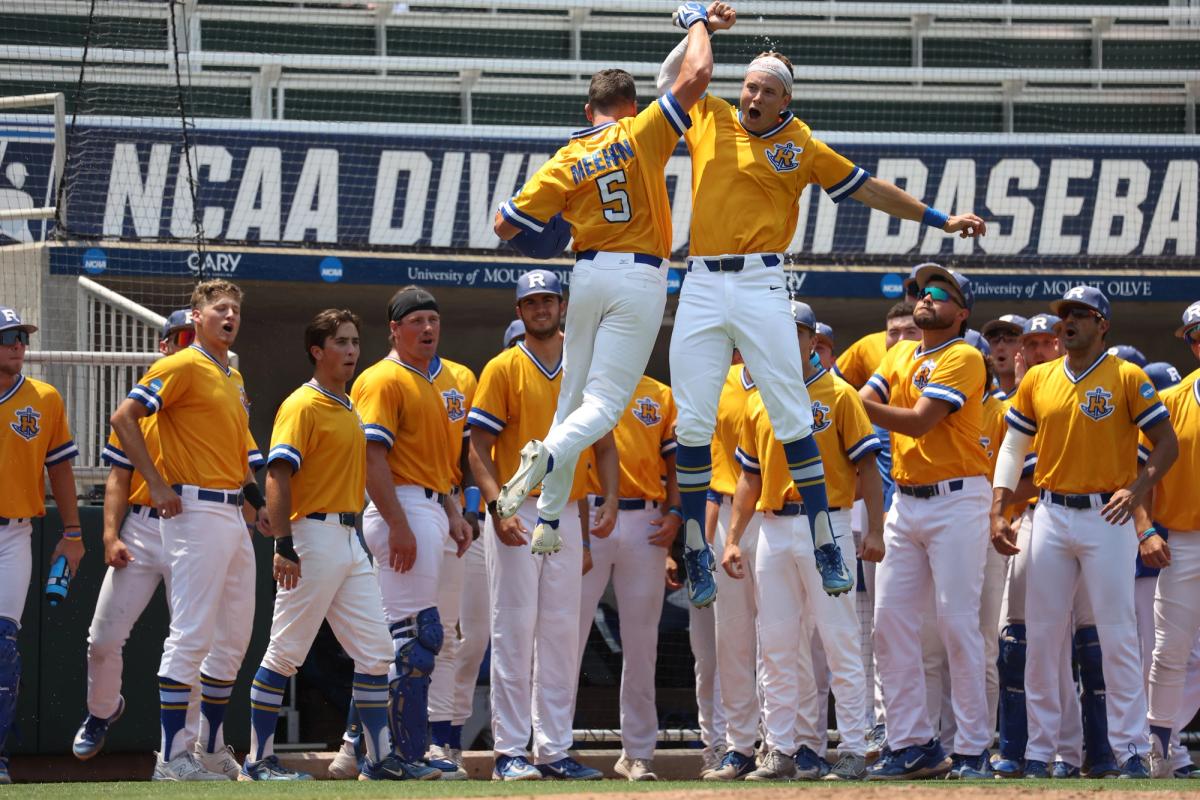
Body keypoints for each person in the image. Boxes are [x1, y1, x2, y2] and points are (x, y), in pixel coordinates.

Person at [658, 18, 990, 607]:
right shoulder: (709, 115)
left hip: (763, 280)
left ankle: (825, 539)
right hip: (702, 280)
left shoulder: (803, 144)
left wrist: (941, 220)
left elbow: (869, 190)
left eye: (767, 90)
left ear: (787, 98)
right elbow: (678, 77)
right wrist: (696, 23)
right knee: (691, 423)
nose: (754, 96)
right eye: (750, 87)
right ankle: (694, 549)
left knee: (791, 409)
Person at [491, 2, 725, 559]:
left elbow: (504, 224)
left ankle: (548, 516)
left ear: (586, 107)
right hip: (638, 277)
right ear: (633, 106)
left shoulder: (567, 156)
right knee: (605, 404)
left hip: (587, 272)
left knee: (570, 396)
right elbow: (695, 76)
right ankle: (545, 455)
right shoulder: (643, 132)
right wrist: (697, 22)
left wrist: (545, 232)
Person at [992, 286, 1177, 779]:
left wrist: (1138, 490)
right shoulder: (1039, 378)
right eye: (1063, 315)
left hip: (1106, 516)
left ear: (1102, 324)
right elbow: (1013, 446)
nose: (1067, 321)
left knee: (1117, 637)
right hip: (1050, 512)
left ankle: (1132, 749)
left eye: (1079, 314)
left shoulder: (1127, 376)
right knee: (1042, 638)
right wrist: (999, 508)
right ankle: (1041, 750)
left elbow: (1166, 444)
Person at [74, 310, 264, 775]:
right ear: (164, 345)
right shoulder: (157, 392)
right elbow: (119, 476)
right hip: (142, 526)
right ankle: (101, 712)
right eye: (175, 336)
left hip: (193, 521)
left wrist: (251, 509)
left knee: (196, 637)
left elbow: (244, 464)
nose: (182, 343)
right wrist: (110, 534)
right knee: (103, 638)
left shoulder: (213, 391)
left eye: (187, 336)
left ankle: (191, 749)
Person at [243, 309, 425, 781]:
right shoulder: (303, 404)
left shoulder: (348, 405)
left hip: (349, 537)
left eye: (353, 343)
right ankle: (258, 760)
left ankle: (380, 760)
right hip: (312, 535)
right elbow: (278, 473)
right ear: (317, 351)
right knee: (284, 653)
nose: (350, 352)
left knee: (376, 652)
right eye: (340, 343)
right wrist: (284, 543)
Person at [723, 301, 883, 782]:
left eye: (795, 332)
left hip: (826, 523)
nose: (786, 339)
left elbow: (868, 468)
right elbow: (748, 479)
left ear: (813, 341)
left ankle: (855, 747)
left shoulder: (840, 394)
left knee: (839, 639)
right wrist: (733, 538)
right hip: (772, 526)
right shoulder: (758, 397)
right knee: (774, 643)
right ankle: (781, 749)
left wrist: (873, 528)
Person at [467, 270, 616, 781]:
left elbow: (602, 442)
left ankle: (553, 749)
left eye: (548, 299)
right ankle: (509, 751)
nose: (540, 308)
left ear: (563, 305)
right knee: (513, 629)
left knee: (559, 632)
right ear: (519, 311)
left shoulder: (583, 365)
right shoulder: (504, 367)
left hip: (566, 510)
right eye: (531, 302)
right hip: (518, 508)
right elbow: (477, 448)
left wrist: (609, 499)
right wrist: (496, 507)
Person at [859, 266, 991, 780]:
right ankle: (912, 742)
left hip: (958, 499)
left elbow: (917, 420)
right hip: (906, 502)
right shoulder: (898, 354)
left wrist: (852, 401)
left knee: (957, 624)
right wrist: (861, 400)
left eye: (942, 293)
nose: (927, 297)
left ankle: (975, 746)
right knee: (888, 623)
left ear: (961, 313)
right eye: (920, 291)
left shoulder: (964, 356)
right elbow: (870, 401)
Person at [350, 286, 472, 779]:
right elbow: (370, 457)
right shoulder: (382, 378)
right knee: (410, 640)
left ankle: (387, 752)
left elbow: (438, 466)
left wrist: (455, 511)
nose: (427, 329)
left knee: (418, 637)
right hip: (398, 506)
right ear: (394, 329)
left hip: (430, 503)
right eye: (416, 321)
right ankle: (397, 755)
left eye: (433, 320)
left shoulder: (435, 380)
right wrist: (399, 524)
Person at [575, 373, 680, 781]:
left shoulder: (659, 393)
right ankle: (552, 746)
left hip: (647, 518)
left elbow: (673, 461)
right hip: (590, 511)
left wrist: (674, 512)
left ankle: (638, 752)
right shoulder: (580, 381)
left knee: (642, 643)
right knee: (568, 635)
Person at [0, 306, 81, 785]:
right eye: (8, 337)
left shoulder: (44, 397)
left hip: (14, 534)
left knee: (5, 648)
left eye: (21, 337)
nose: (17, 345)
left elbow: (61, 469)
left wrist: (73, 533)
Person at [1146, 301, 1200, 778]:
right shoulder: (1174, 402)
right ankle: (1157, 749)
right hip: (1186, 541)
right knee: (1171, 649)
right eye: (1197, 335)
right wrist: (1145, 528)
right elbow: (1137, 472)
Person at [981, 314, 1027, 398]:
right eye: (994, 340)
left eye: (1010, 340)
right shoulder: (983, 396)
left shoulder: (1039, 393)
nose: (1000, 347)